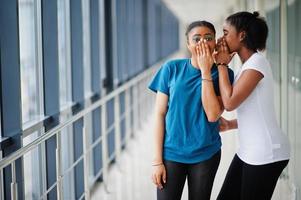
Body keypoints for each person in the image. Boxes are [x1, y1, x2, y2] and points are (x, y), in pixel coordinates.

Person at [148, 21, 234, 200]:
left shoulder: (224, 73)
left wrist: (205, 71)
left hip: (206, 154)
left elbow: (213, 115)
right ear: (188, 44)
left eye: (208, 38)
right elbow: (159, 114)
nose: (202, 42)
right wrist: (157, 161)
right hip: (171, 154)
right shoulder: (171, 68)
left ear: (215, 43)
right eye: (196, 39)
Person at [210, 11, 290, 200]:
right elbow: (256, 112)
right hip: (248, 151)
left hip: (266, 153)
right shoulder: (246, 66)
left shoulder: (257, 63)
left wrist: (221, 64)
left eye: (225, 32)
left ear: (242, 35)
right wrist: (231, 125)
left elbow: (229, 103)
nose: (221, 39)